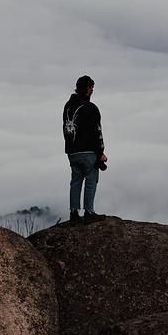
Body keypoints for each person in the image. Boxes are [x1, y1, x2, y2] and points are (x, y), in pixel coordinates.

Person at [62, 75, 107, 224]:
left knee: (75, 181)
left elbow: (66, 128)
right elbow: (97, 132)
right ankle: (89, 212)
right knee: (91, 179)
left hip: (72, 151)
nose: (92, 90)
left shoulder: (68, 106)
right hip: (88, 152)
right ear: (87, 89)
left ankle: (74, 213)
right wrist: (100, 153)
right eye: (91, 88)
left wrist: (69, 148)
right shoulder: (91, 108)